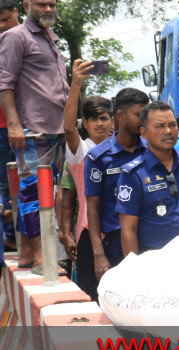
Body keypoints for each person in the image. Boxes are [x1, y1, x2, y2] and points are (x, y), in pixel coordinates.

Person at [0, 0, 68, 270]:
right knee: (34, 193)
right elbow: (4, 83)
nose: (48, 8)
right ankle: (42, 258)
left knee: (44, 192)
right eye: (42, 4)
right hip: (32, 129)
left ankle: (27, 253)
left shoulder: (50, 37)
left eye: (52, 3)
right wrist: (14, 125)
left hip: (56, 129)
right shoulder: (15, 36)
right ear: (26, 5)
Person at [116, 100, 179, 254]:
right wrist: (134, 270)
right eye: (160, 126)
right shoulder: (133, 173)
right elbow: (128, 229)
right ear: (144, 132)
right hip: (155, 264)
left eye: (172, 125)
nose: (168, 131)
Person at [60, 59, 113, 299]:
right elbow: (69, 128)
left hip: (120, 230)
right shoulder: (81, 152)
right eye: (94, 119)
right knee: (91, 295)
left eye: (104, 118)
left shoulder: (125, 151)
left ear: (113, 121)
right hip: (88, 231)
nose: (100, 123)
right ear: (87, 124)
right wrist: (76, 85)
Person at [84, 88, 148, 281]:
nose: (144, 121)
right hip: (116, 244)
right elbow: (93, 207)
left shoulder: (151, 150)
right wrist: (98, 254)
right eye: (139, 115)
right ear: (120, 115)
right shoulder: (98, 157)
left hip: (150, 237)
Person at [0, 0, 20, 250]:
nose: (2, 27)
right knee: (6, 180)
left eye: (5, 20)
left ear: (17, 12)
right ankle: (12, 235)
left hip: (31, 124)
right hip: (3, 127)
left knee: (40, 179)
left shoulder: (29, 40)